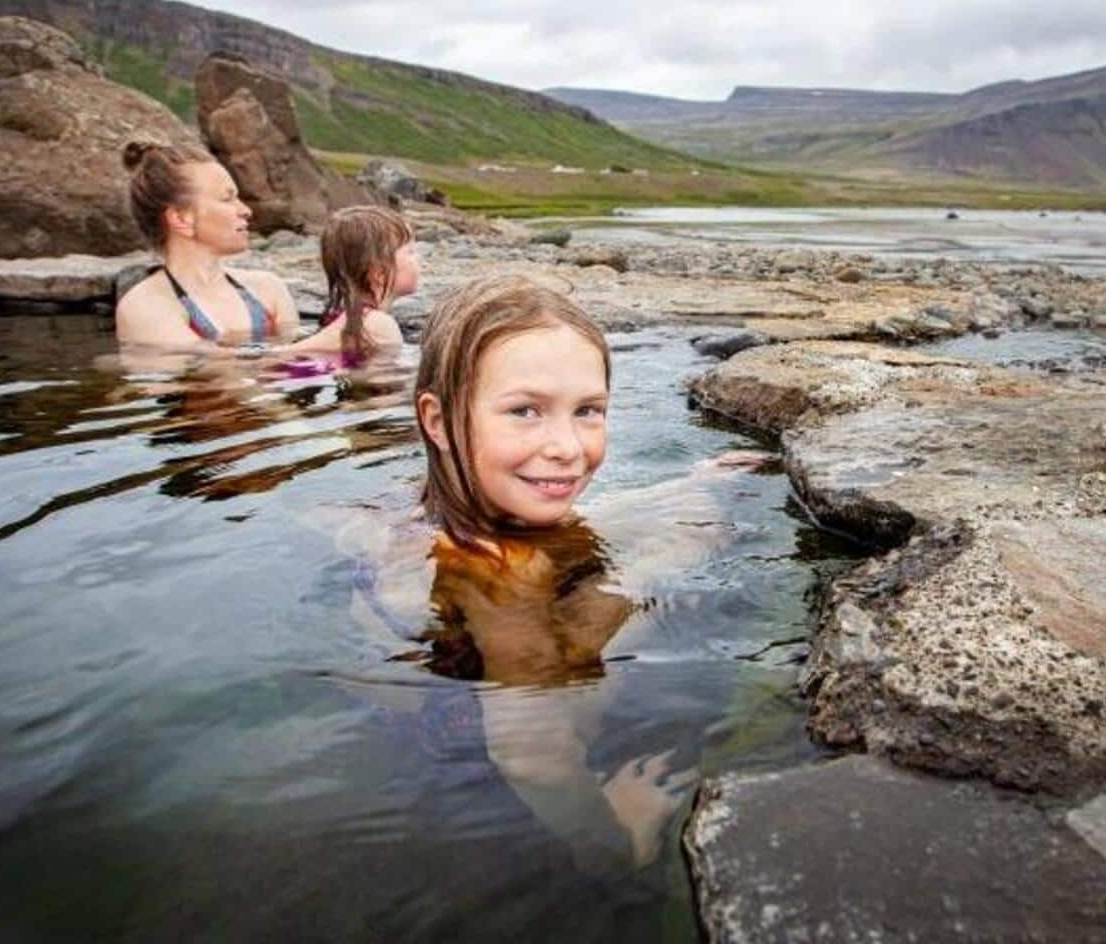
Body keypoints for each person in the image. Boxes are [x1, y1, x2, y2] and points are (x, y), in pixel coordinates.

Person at [341, 275, 765, 876]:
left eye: (588, 411)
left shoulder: (425, 517)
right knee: (649, 583)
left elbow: (575, 524)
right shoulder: (501, 574)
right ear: (436, 420)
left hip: (427, 704)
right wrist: (616, 840)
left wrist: (689, 489)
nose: (567, 446)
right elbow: (532, 757)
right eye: (525, 411)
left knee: (641, 546)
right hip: (479, 779)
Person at [114, 142, 301, 350]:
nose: (245, 210)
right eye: (227, 198)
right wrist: (324, 342)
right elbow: (213, 369)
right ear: (181, 219)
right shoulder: (144, 306)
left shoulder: (269, 289)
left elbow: (296, 372)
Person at [287, 205, 420, 364]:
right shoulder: (378, 325)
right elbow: (384, 383)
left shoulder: (353, 320)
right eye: (410, 252)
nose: (419, 259)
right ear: (378, 273)